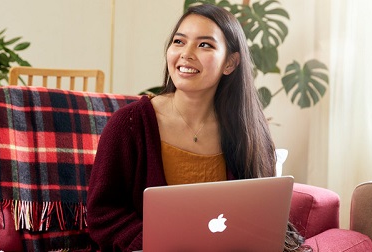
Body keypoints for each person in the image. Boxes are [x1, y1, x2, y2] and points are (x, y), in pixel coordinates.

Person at [87, 4, 309, 252]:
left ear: (231, 63)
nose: (186, 53)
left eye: (205, 45)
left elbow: (263, 215)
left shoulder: (249, 131)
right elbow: (102, 214)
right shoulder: (128, 124)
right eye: (179, 42)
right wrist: (154, 243)